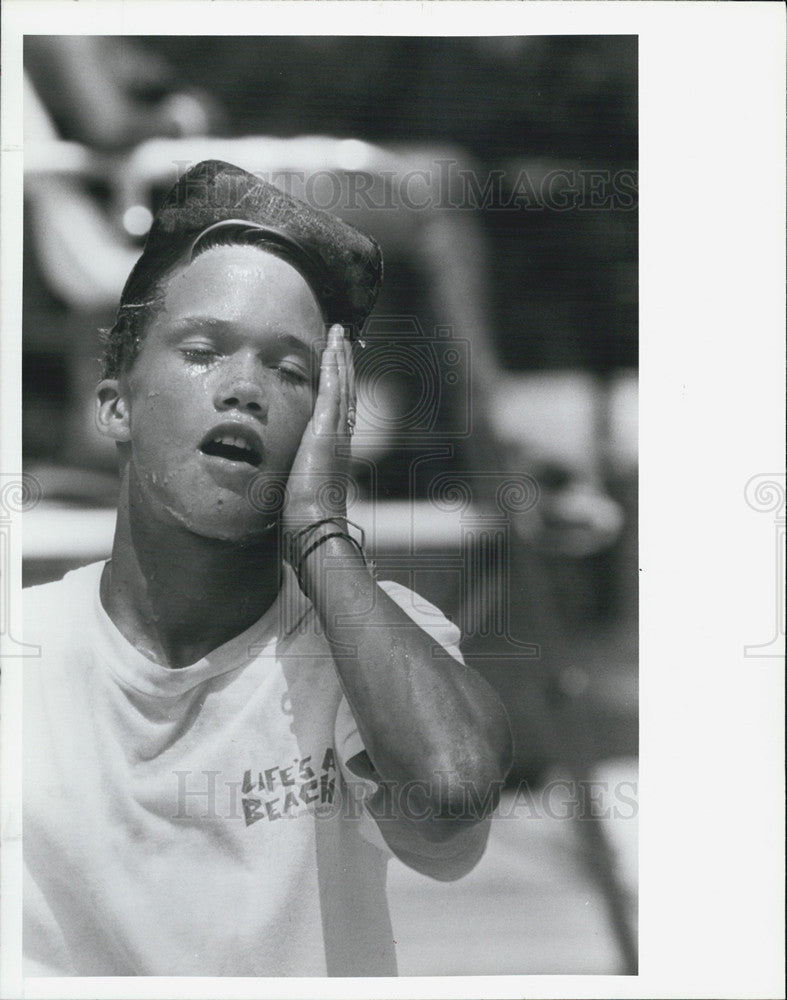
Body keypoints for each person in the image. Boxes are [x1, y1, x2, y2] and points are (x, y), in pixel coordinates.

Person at [23, 160, 513, 977]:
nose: (243, 388)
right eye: (202, 350)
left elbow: (451, 791)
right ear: (114, 403)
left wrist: (321, 527)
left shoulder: (374, 639)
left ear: (329, 421)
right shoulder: (24, 651)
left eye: (290, 372)